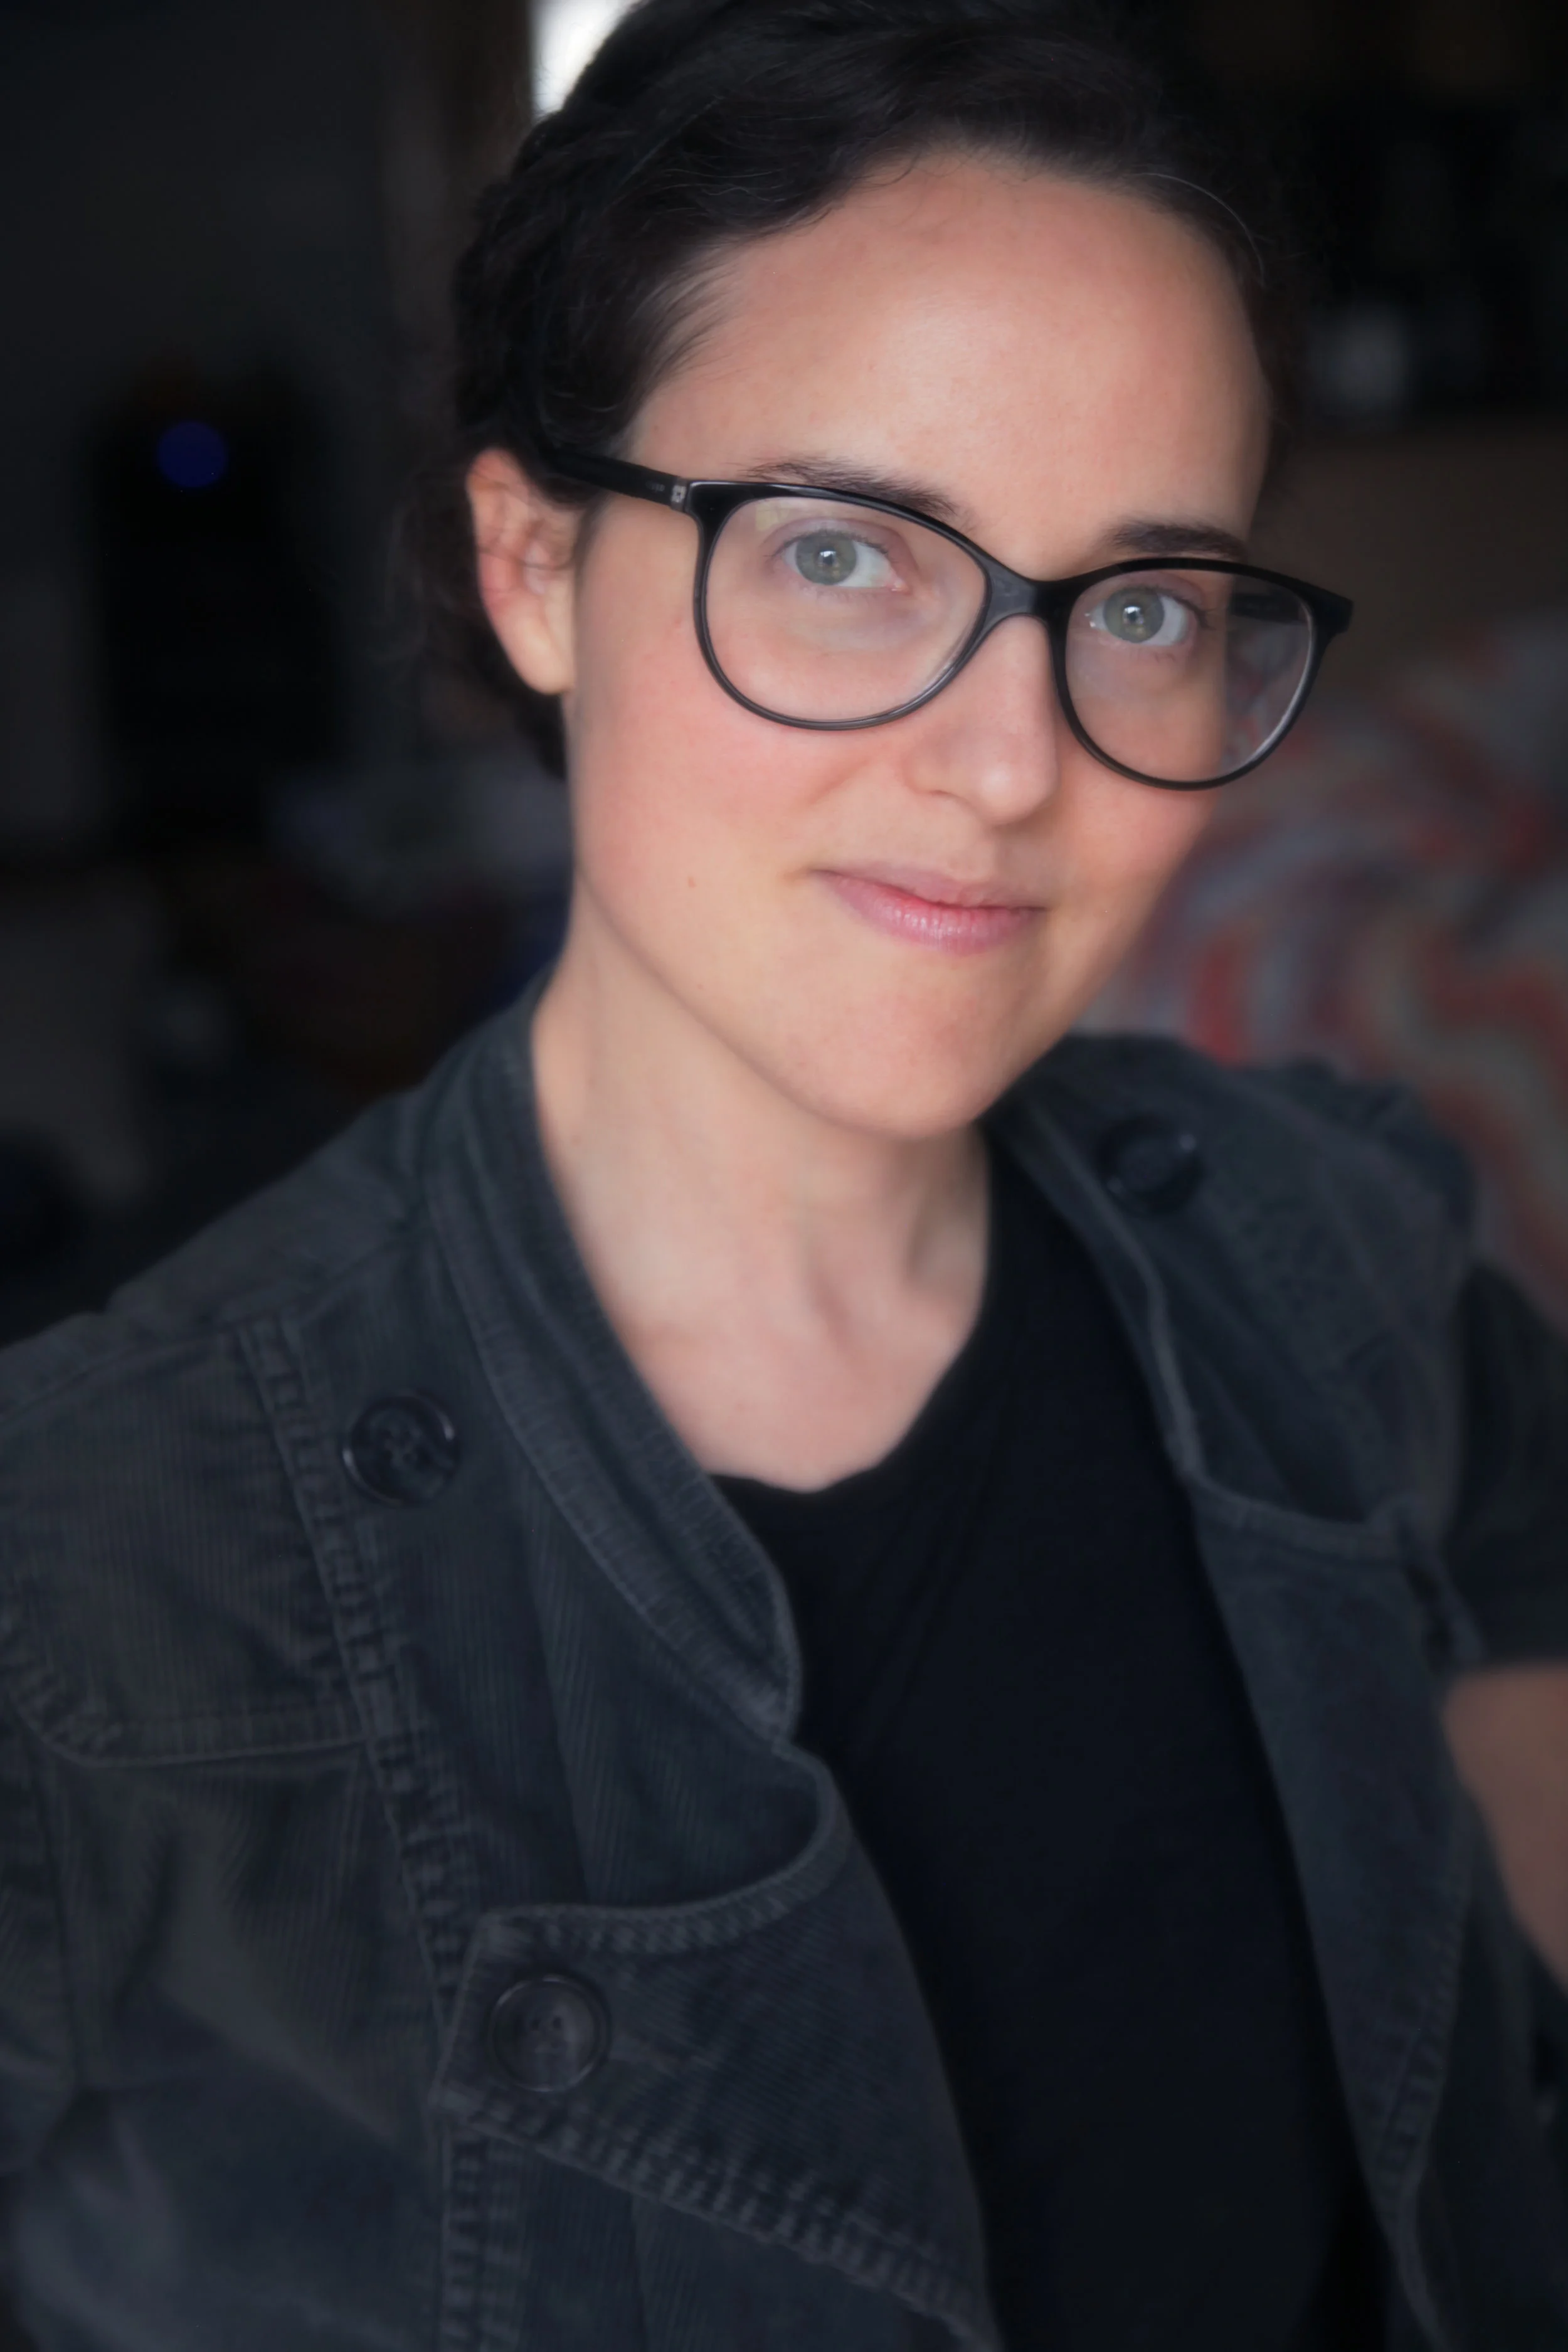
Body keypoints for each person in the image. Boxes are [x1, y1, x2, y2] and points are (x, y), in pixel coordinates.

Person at [2, 2, 1567, 2346]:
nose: (1005, 765)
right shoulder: (89, 1578)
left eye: (1139, 607)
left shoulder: (1345, 1243)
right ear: (533, 566)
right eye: (844, 557)